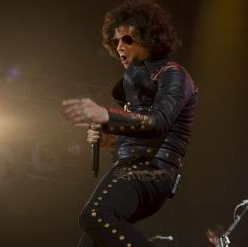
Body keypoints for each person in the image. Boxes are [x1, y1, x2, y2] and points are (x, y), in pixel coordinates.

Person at [61, 0, 198, 246]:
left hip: (153, 170)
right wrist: (108, 136)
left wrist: (107, 116)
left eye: (127, 39)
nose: (120, 47)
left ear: (150, 38)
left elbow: (158, 122)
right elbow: (138, 130)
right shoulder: (131, 85)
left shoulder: (173, 74)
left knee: (94, 215)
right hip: (129, 167)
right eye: (115, 41)